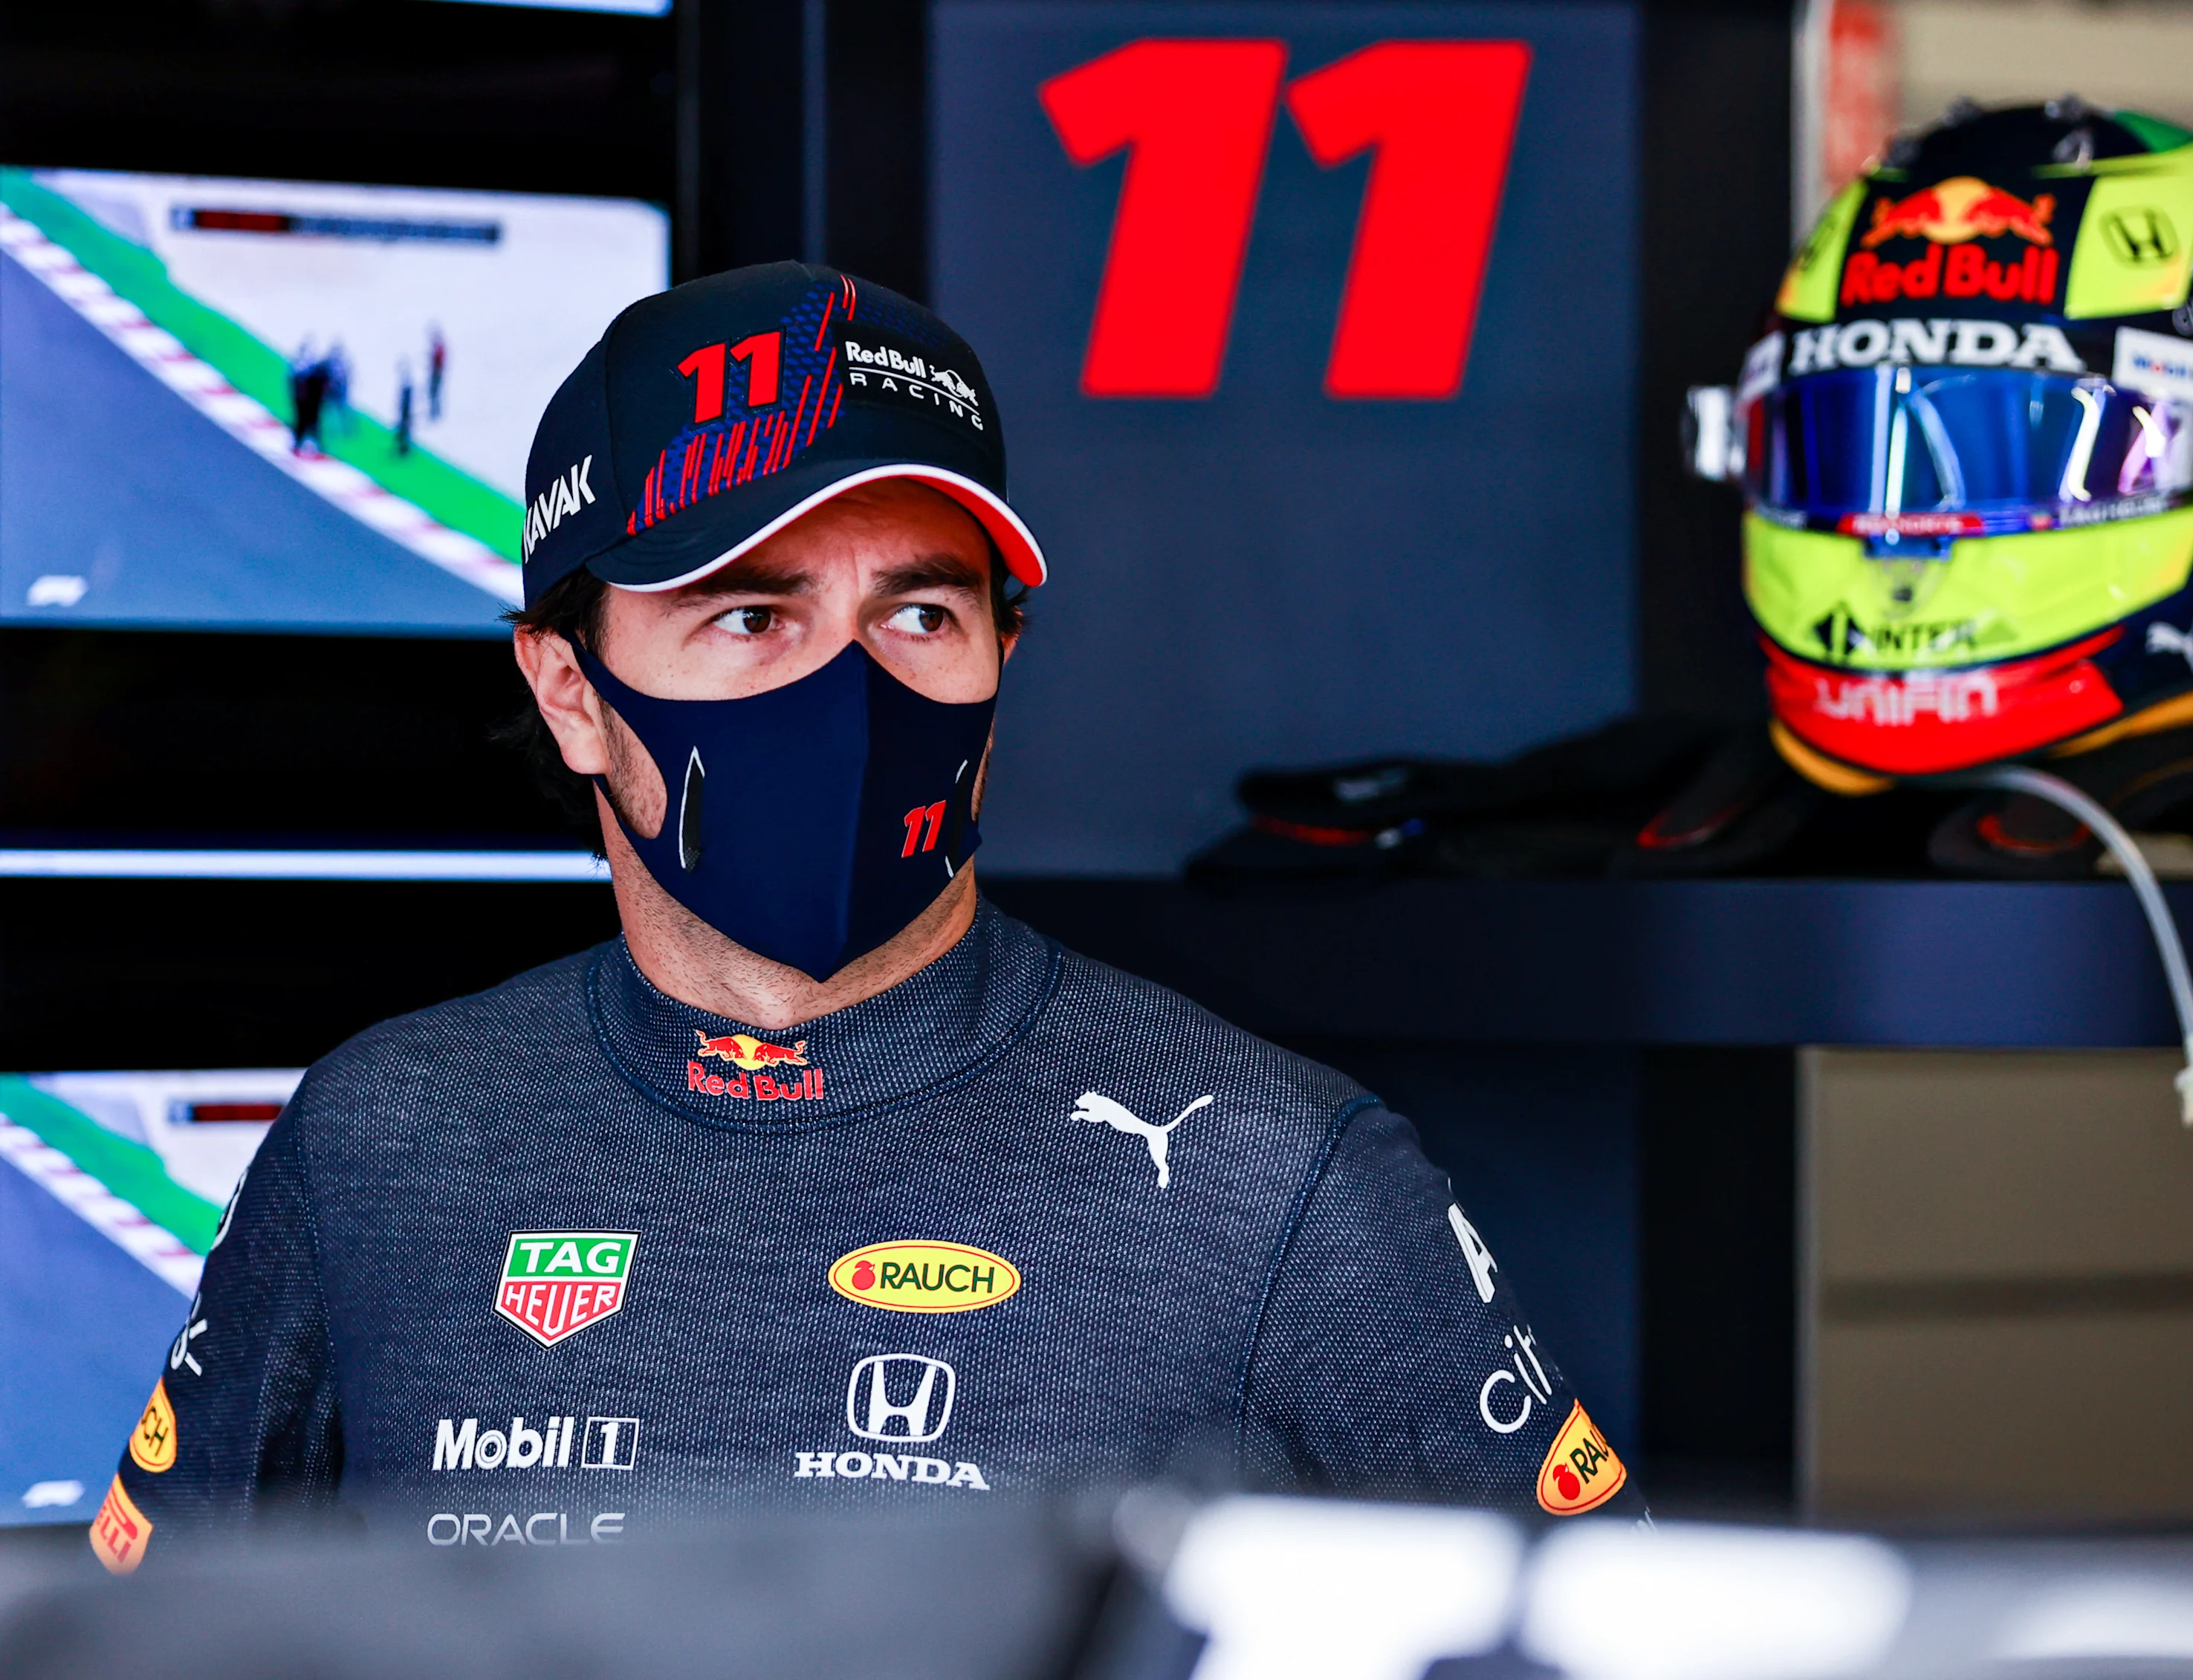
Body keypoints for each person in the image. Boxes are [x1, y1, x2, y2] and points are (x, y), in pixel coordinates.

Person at [88, 264, 1636, 1574]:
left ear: (1001, 654)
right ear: (570, 688)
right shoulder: (379, 1141)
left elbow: (1621, 1641)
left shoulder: (1274, 1177)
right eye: (752, 614)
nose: (850, 691)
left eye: (919, 612)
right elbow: (134, 1643)